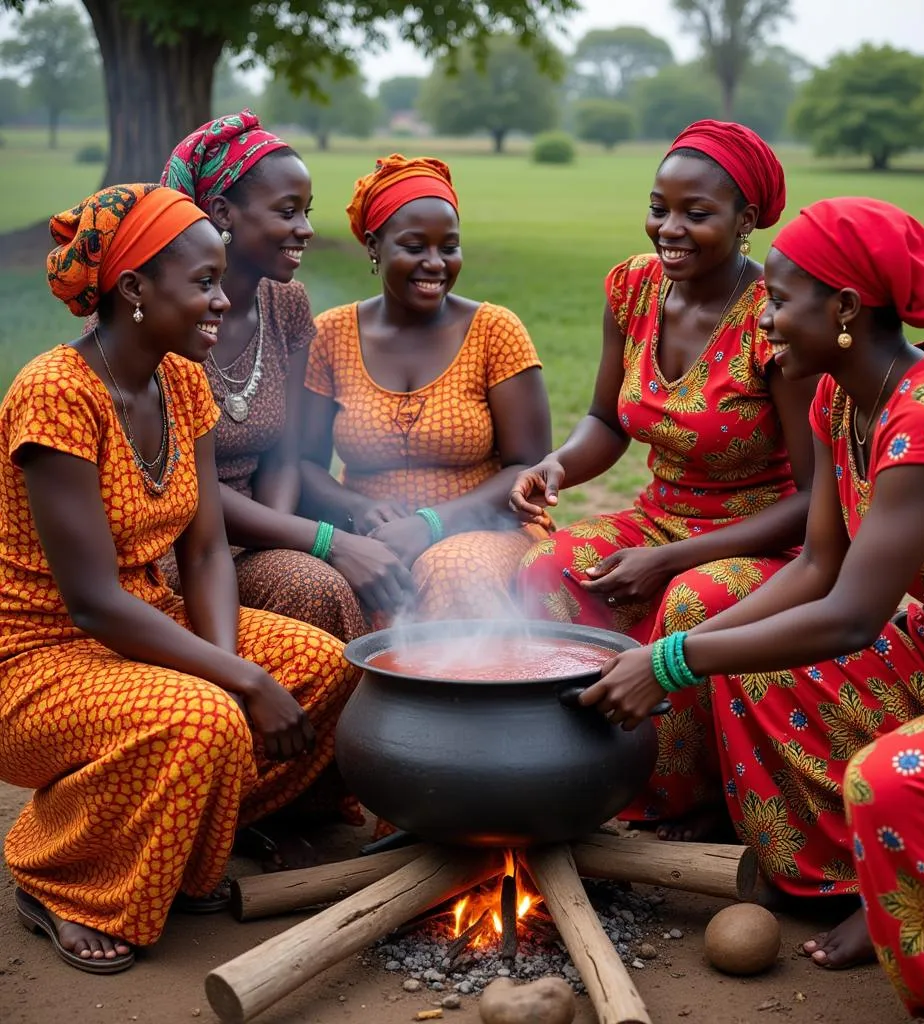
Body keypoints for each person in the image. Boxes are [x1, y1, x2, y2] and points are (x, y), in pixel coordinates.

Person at [581, 197, 924, 1018]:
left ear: (847, 310)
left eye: (782, 302)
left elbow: (854, 614)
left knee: (894, 780)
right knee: (744, 649)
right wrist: (687, 641)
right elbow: (819, 565)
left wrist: (672, 660)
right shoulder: (836, 396)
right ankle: (869, 885)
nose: (767, 321)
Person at [0, 184, 360, 972]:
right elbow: (93, 604)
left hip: (152, 621)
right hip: (39, 663)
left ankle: (194, 829)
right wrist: (235, 683)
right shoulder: (57, 394)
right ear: (133, 288)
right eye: (203, 283)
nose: (223, 302)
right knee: (207, 716)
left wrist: (236, 669)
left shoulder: (179, 376)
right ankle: (63, 878)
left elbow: (203, 551)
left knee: (328, 667)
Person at [511, 120, 816, 835]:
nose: (668, 229)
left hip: (759, 538)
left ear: (747, 221)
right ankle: (578, 762)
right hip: (659, 515)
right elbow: (606, 421)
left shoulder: (773, 317)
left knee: (688, 606)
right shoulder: (633, 287)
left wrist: (670, 560)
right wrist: (556, 464)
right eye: (659, 207)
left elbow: (813, 501)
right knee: (549, 566)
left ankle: (685, 805)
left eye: (696, 213)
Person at [160, 110, 411, 650]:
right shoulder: (166, 313)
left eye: (307, 211)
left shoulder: (286, 303)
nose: (306, 229)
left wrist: (277, 543)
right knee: (318, 583)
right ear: (223, 212)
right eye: (287, 211)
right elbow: (184, 491)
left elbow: (286, 452)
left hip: (264, 529)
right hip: (175, 545)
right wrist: (322, 541)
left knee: (341, 579)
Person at [300, 154, 552, 621]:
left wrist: (431, 524)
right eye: (415, 246)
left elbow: (530, 469)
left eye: (449, 247)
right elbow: (303, 466)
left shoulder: (495, 330)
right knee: (319, 586)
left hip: (489, 529)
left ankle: (462, 693)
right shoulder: (331, 334)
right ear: (374, 246)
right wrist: (358, 509)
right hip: (372, 533)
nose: (435, 263)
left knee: (450, 568)